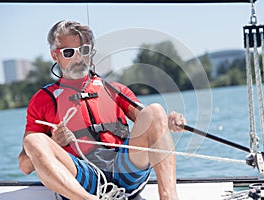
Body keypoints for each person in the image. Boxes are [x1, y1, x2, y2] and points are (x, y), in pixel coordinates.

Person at [18, 20, 187, 200]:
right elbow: (25, 166)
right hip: (83, 177)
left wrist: (169, 121)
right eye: (69, 53)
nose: (78, 58)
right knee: (34, 140)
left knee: (155, 111)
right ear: (55, 56)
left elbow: (152, 122)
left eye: (84, 50)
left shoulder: (114, 89)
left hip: (125, 171)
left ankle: (169, 197)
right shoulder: (42, 100)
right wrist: (54, 141)